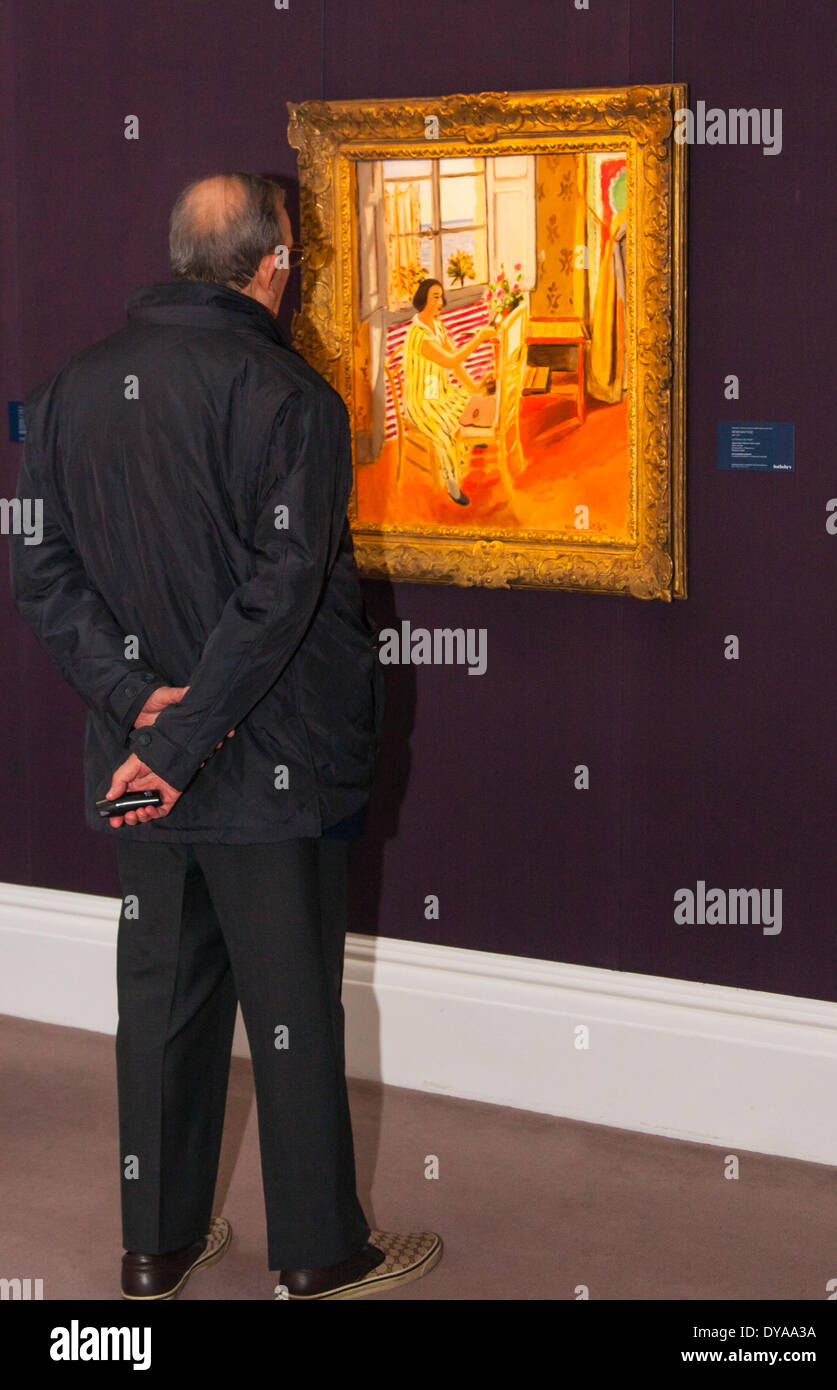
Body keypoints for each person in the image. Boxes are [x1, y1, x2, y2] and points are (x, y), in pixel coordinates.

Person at [9, 172, 442, 1301]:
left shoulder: (65, 392)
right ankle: (317, 1252)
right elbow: (285, 592)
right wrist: (186, 724)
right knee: (291, 1005)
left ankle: (153, 1247)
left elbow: (40, 576)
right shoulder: (292, 396)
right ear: (275, 261)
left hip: (140, 764)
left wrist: (138, 707)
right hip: (268, 767)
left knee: (159, 999)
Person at [401, 278, 497, 505]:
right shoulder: (419, 336)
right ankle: (453, 485)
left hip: (438, 390)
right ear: (423, 299)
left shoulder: (438, 327)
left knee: (472, 401)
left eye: (441, 296)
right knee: (444, 431)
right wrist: (479, 338)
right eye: (435, 296)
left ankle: (470, 438)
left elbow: (455, 365)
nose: (440, 301)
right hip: (422, 399)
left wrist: (473, 388)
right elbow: (451, 359)